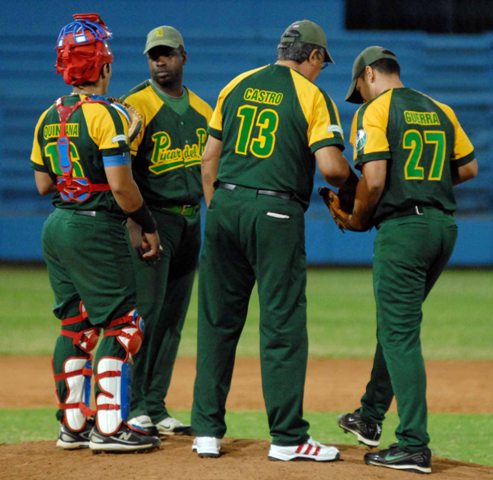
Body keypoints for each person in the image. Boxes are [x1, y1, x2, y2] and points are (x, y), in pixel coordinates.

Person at [191, 19, 356, 461]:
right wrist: (355, 183)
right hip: (276, 211)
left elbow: (210, 158)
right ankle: (286, 437)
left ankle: (206, 431)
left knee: (216, 322)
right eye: (323, 62)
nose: (322, 70)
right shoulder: (311, 96)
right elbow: (332, 168)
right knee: (281, 325)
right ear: (314, 55)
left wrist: (221, 207)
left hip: (225, 204)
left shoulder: (237, 84)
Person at [336, 46, 478, 474]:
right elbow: (468, 169)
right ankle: (370, 414)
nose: (360, 97)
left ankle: (414, 443)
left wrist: (358, 217)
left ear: (371, 75)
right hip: (442, 228)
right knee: (397, 327)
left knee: (400, 336)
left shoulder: (375, 111)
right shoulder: (440, 108)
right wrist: (426, 180)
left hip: (405, 231)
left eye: (359, 88)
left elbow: (374, 178)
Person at [30, 13, 162, 453]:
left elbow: (44, 184)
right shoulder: (108, 116)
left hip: (58, 226)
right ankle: (109, 426)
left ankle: (73, 425)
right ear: (104, 66)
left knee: (76, 328)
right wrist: (147, 224)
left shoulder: (48, 116)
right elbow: (123, 188)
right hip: (94, 227)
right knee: (125, 325)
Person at [121, 25, 212, 437]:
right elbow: (121, 172)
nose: (159, 61)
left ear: (183, 57)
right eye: (153, 55)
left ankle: (155, 405)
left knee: (174, 318)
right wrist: (137, 223)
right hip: (153, 220)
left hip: (191, 220)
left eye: (167, 54)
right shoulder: (135, 106)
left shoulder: (204, 111)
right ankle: (135, 404)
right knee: (148, 315)